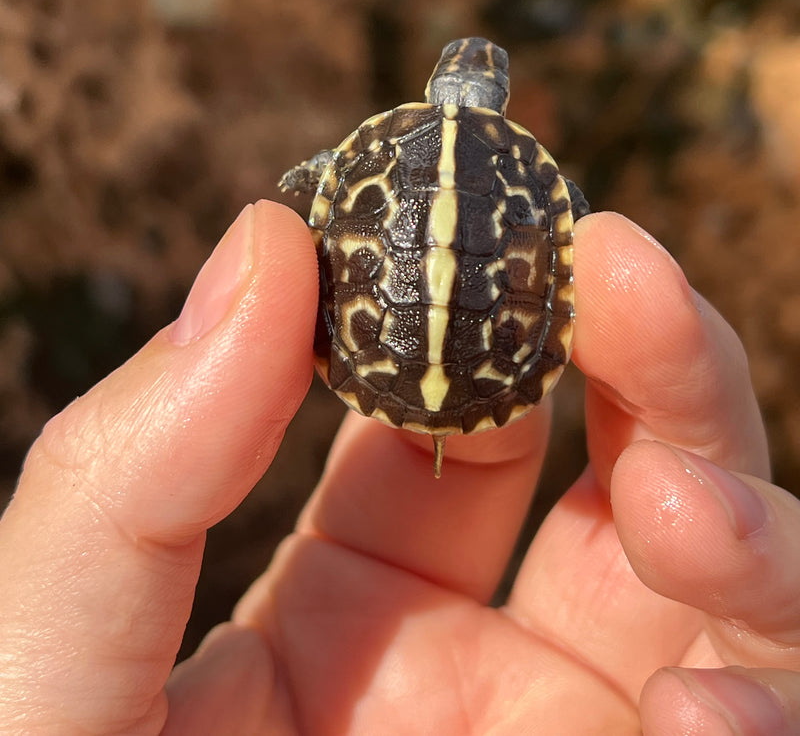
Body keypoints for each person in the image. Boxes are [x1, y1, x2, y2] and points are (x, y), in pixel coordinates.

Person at [0, 200, 797, 735]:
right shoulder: (535, 186)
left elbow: (329, 190)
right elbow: (567, 227)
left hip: (384, 367)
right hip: (492, 373)